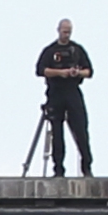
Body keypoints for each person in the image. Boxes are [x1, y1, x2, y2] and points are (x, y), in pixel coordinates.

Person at [37, 19, 95, 177]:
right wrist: (60, 73)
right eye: (64, 31)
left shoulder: (77, 50)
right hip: (56, 92)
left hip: (73, 91)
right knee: (57, 132)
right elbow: (40, 70)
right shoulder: (50, 51)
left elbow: (89, 72)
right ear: (58, 30)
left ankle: (86, 166)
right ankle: (58, 168)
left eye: (69, 32)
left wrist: (76, 73)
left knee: (81, 130)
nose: (66, 34)